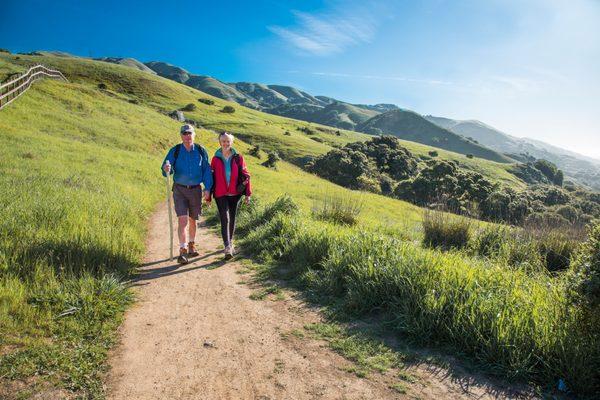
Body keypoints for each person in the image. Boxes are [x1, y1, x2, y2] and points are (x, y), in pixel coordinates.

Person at [162, 124, 212, 264]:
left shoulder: (201, 151)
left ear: (194, 135)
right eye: (184, 133)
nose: (187, 136)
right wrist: (166, 168)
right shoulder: (175, 150)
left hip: (196, 189)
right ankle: (182, 251)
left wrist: (207, 188)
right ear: (181, 135)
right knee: (182, 220)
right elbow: (166, 168)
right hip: (179, 190)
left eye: (189, 133)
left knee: (192, 220)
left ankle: (191, 244)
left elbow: (206, 170)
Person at [210, 131, 251, 259]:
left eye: (228, 141)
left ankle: (230, 241)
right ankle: (227, 246)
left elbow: (246, 176)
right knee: (225, 218)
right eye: (223, 141)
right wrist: (208, 196)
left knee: (232, 217)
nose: (226, 143)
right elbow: (211, 178)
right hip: (220, 193)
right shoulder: (215, 158)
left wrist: (247, 194)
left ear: (231, 142)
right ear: (220, 142)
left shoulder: (238, 157)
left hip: (235, 193)